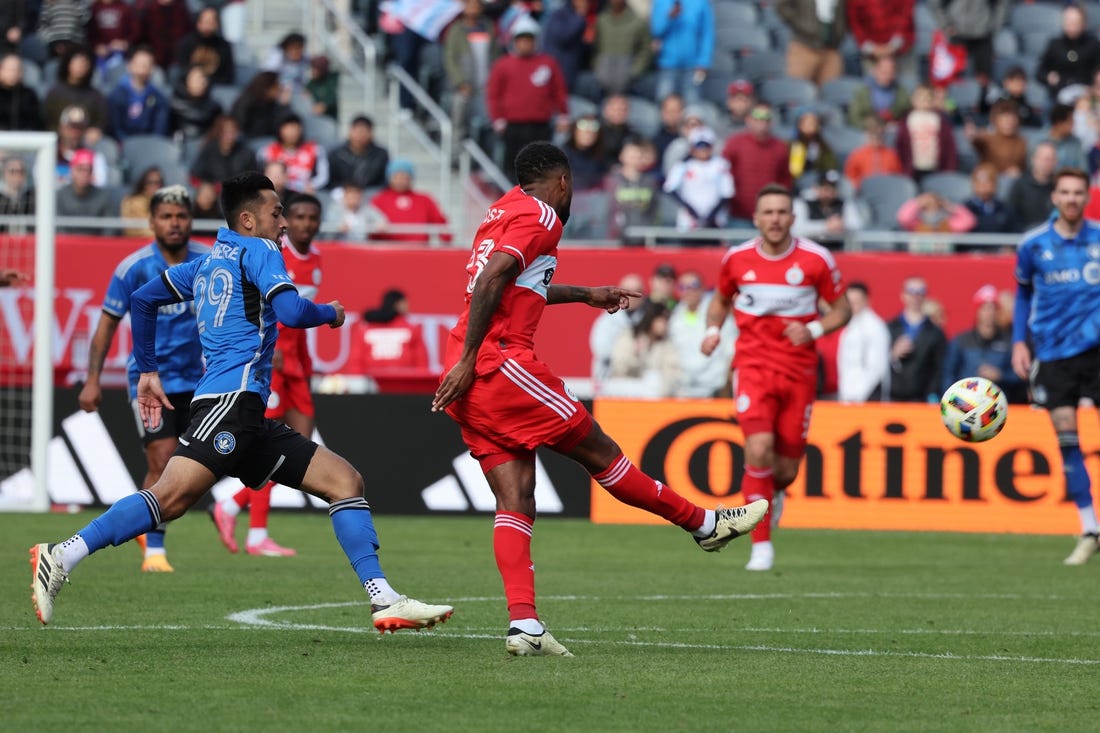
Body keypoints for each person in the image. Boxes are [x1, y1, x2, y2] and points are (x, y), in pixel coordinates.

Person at [31, 171, 454, 632]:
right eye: (277, 213)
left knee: (344, 481)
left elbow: (143, 299)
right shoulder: (261, 250)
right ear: (249, 220)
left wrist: (147, 369)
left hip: (242, 408)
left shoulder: (208, 261)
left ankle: (383, 597)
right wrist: (330, 313)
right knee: (169, 499)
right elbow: (292, 313)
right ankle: (61, 554)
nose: (285, 224)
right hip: (229, 403)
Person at [434, 143, 767, 656]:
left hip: (469, 368)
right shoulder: (543, 214)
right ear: (562, 182)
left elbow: (517, 283)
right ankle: (702, 524)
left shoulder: (503, 208)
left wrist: (585, 294)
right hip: (497, 362)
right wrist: (472, 358)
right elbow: (495, 277)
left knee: (516, 498)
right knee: (600, 450)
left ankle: (524, 625)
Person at [701, 183, 851, 572]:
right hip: (751, 367)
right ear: (756, 218)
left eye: (782, 212)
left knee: (785, 469)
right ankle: (761, 546)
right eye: (768, 212)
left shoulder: (816, 260)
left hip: (799, 371)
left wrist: (815, 330)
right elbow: (719, 301)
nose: (775, 219)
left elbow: (842, 309)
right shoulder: (737, 259)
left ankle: (774, 493)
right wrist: (713, 331)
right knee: (758, 448)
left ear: (793, 218)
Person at [77, 185, 208, 572]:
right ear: (151, 221)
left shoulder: (209, 261)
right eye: (166, 217)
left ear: (190, 221)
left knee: (207, 464)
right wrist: (92, 379)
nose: (174, 223)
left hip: (200, 380)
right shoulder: (133, 268)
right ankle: (154, 547)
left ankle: (150, 521)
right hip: (150, 381)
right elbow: (106, 326)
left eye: (181, 216)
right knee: (163, 458)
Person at [210, 193, 325, 557]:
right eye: (299, 217)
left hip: (296, 366)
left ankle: (231, 505)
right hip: (270, 361)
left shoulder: (317, 261)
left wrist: (305, 366)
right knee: (269, 442)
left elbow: (301, 316)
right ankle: (257, 534)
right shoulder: (273, 253)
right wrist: (266, 351)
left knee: (301, 445)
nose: (306, 224)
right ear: (286, 219)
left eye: (313, 218)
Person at [1011, 167, 1100, 565]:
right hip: (1052, 354)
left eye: (1078, 193)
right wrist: (1018, 342)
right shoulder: (1033, 244)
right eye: (1064, 192)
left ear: (1086, 197)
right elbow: (1022, 295)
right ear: (1054, 197)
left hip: (1097, 350)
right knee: (1068, 440)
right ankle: (1089, 529)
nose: (1071, 199)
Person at [486, 16, 569, 183]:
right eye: (521, 40)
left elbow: (559, 91)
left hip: (541, 125)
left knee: (541, 167)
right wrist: (498, 118)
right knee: (514, 165)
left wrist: (563, 114)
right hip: (513, 126)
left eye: (529, 39)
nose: (525, 44)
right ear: (514, 41)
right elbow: (494, 94)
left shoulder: (547, 63)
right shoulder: (503, 65)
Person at [942, 283, 1021, 400]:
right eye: (985, 308)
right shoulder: (962, 340)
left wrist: (1001, 376)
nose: (989, 313)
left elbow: (1019, 375)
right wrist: (952, 401)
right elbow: (948, 373)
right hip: (966, 404)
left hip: (997, 405)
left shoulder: (1009, 341)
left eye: (993, 308)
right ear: (978, 311)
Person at [668, 270, 735, 398]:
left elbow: (730, 350)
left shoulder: (716, 314)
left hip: (714, 387)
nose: (688, 291)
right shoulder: (675, 317)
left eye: (693, 286)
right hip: (682, 388)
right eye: (682, 287)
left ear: (702, 288)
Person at [886, 276, 947, 402]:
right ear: (903, 295)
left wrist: (933, 395)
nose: (915, 296)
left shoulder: (935, 333)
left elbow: (939, 368)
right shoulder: (889, 328)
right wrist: (892, 355)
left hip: (921, 398)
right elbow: (874, 363)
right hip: (892, 396)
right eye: (911, 291)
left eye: (920, 292)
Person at [663, 126, 733, 233]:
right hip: (688, 221)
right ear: (692, 147)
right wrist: (692, 212)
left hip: (715, 221)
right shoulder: (682, 166)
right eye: (699, 145)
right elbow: (670, 188)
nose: (703, 150)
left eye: (706, 145)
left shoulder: (721, 165)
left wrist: (711, 216)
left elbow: (727, 193)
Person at [649, 0, 715, 105]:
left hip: (692, 67)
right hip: (667, 66)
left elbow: (707, 33)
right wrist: (669, 18)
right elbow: (656, 31)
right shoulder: (660, 2)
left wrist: (704, 61)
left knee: (692, 106)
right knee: (664, 105)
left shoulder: (701, 2)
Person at [369, 160, 450, 243]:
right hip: (388, 250)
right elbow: (369, 225)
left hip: (419, 250)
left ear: (411, 178)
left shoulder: (425, 199)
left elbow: (440, 222)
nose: (400, 181)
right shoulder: (379, 199)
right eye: (396, 177)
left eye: (404, 177)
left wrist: (446, 237)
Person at [836, 281, 890, 402]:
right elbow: (843, 363)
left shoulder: (875, 327)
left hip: (868, 396)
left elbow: (877, 367)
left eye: (856, 301)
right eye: (849, 301)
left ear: (866, 300)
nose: (853, 305)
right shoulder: (849, 327)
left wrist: (859, 395)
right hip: (847, 395)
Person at [106, 45, 171, 141]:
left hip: (149, 148)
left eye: (146, 65)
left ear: (152, 68)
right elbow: (115, 129)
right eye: (139, 64)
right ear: (129, 66)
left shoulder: (159, 99)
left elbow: (159, 132)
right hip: (122, 147)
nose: (142, 69)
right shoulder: (116, 96)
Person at [776, 0, 846, 86]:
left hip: (832, 48)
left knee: (831, 92)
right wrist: (800, 23)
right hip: (804, 46)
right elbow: (781, 6)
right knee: (796, 89)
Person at [257, 112, 330, 193]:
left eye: (294, 128)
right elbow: (260, 176)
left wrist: (312, 185)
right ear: (279, 130)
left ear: (301, 129)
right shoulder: (267, 152)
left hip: (306, 193)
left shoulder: (316, 150)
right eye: (287, 128)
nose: (291, 132)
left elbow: (323, 177)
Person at [56, 148, 113, 233]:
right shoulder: (60, 196)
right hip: (66, 244)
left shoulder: (103, 197)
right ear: (72, 171)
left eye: (88, 170)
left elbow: (109, 230)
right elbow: (58, 228)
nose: (84, 174)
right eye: (80, 169)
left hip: (96, 245)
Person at [328, 115, 390, 191]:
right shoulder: (336, 154)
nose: (360, 136)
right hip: (343, 194)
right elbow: (331, 181)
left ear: (371, 134)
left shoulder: (381, 155)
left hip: (371, 193)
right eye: (357, 132)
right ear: (350, 132)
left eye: (364, 132)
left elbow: (384, 181)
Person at [843, 117, 903, 192]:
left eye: (881, 134)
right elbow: (850, 177)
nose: (877, 137)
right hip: (863, 193)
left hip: (886, 192)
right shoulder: (857, 154)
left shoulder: (891, 154)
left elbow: (897, 176)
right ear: (867, 133)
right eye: (873, 134)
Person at [1008, 142, 1057, 230]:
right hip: (1025, 236)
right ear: (1034, 159)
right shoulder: (1020, 185)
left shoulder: (1059, 186)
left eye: (1052, 159)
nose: (1048, 163)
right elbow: (1012, 216)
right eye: (1045, 159)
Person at [0, 52, 45, 132]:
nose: (13, 73)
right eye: (9, 69)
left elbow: (35, 122)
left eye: (17, 69)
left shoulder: (29, 95)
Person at [120, 166, 164, 237]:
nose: (154, 186)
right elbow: (141, 230)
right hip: (137, 243)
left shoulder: (166, 203)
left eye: (157, 183)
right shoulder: (133, 202)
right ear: (144, 184)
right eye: (150, 182)